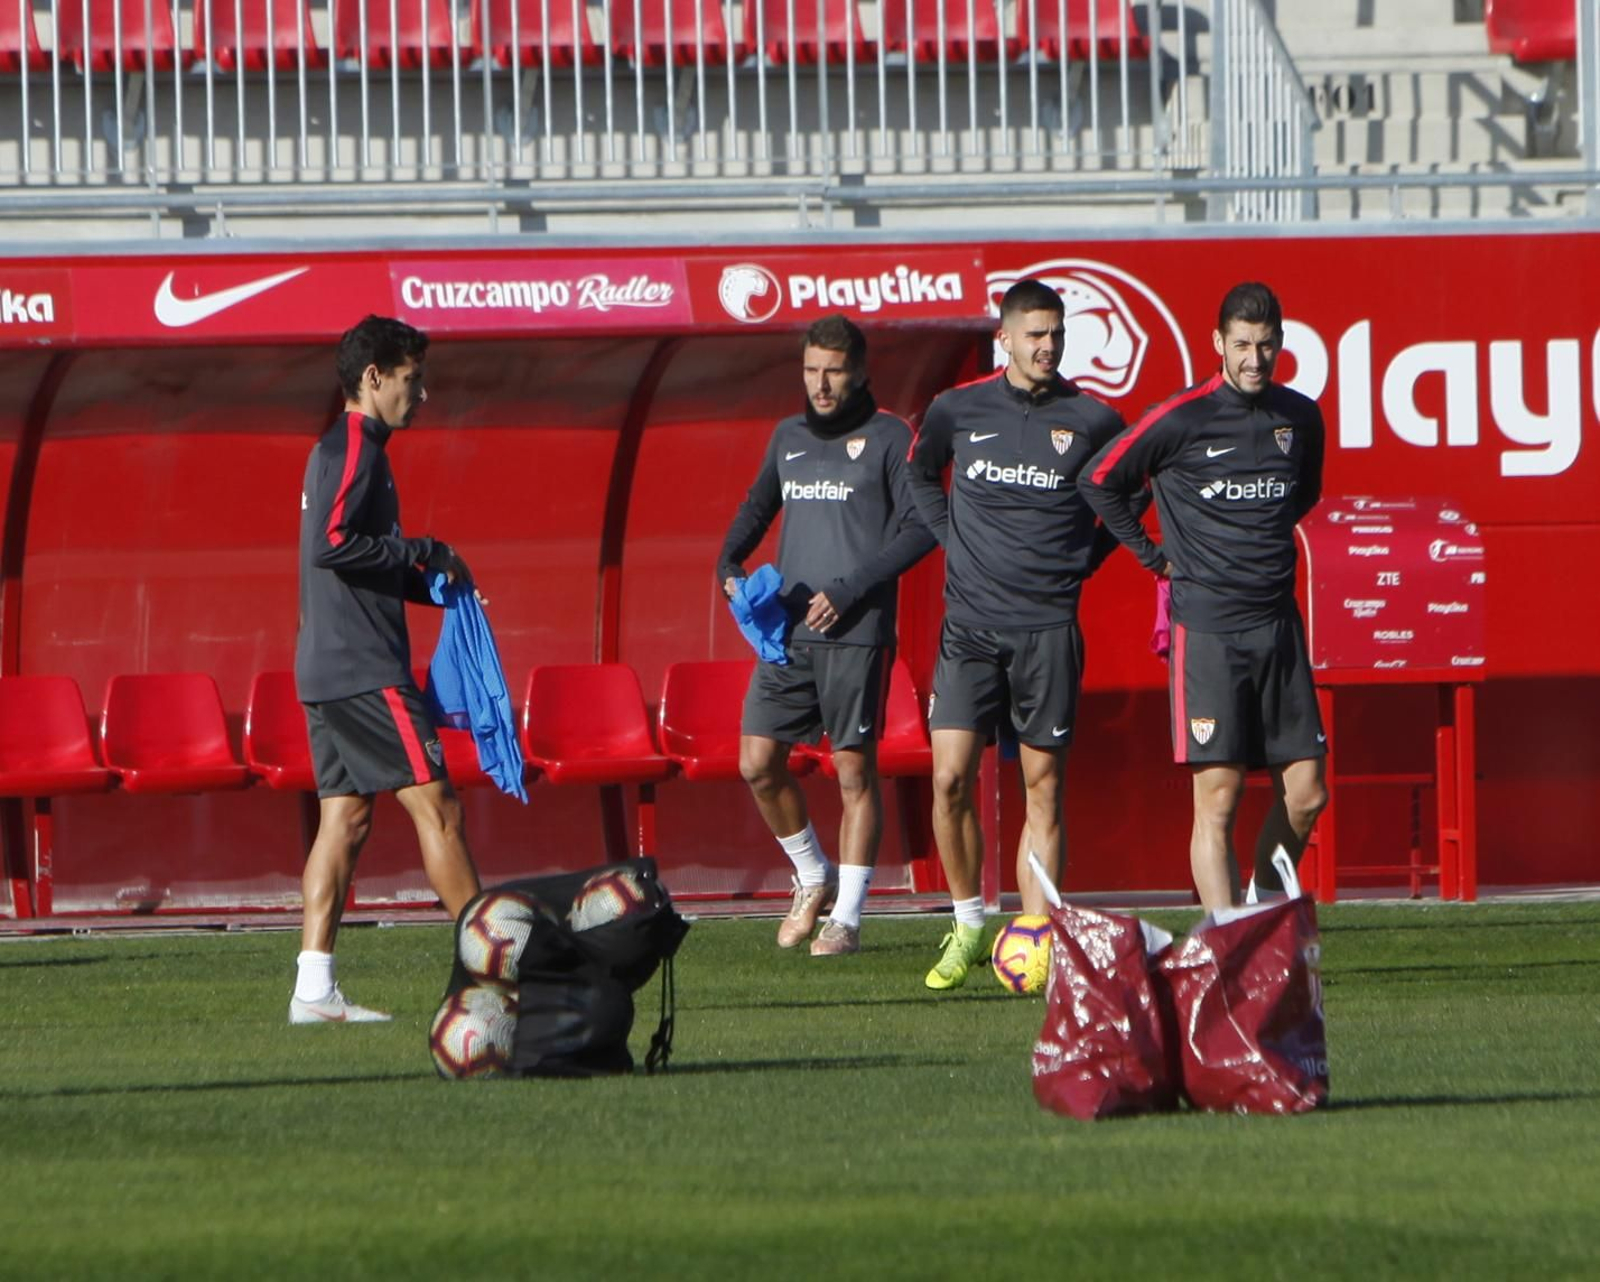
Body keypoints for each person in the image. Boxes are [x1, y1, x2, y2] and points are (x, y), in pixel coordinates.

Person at [907, 279, 1127, 990]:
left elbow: (1132, 491)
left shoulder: (1091, 419)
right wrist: (950, 539)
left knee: (1044, 787)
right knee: (948, 780)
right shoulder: (958, 408)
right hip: (969, 627)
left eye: (1056, 334)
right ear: (1004, 338)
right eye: (1034, 334)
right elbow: (916, 472)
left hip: (1047, 631)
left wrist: (1083, 561)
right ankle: (970, 921)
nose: (1047, 346)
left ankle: (1037, 940)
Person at [1079, 281, 1328, 911]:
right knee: (1219, 797)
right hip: (1209, 631)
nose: (1254, 358)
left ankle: (1264, 912)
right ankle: (1226, 940)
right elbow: (1100, 479)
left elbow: (1302, 495)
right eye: (1242, 344)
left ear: (1280, 345)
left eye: (1266, 345)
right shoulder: (1181, 417)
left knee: (1306, 795)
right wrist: (1154, 557)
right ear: (1218, 343)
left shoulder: (1300, 417)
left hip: (1279, 627)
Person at [717, 315, 935, 956]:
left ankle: (847, 916)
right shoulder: (788, 437)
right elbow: (756, 507)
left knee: (852, 771)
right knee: (757, 763)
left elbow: (923, 528)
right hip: (786, 631)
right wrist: (729, 562)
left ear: (860, 372)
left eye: (834, 371)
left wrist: (848, 590)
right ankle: (813, 874)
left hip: (856, 631)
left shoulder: (894, 437)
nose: (821, 383)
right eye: (812, 370)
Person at [290, 315, 482, 1023]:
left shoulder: (352, 447)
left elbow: (354, 556)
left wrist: (428, 576)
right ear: (373, 378)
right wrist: (420, 548)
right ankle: (494, 970)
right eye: (412, 379)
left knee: (343, 820)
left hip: (326, 665)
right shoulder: (352, 444)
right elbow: (333, 543)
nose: (421, 394)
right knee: (441, 808)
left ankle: (313, 990)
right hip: (363, 667)